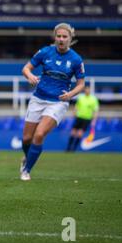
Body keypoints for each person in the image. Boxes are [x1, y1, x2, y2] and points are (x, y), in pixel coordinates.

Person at [20, 23, 85, 181]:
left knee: (39, 134)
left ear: (70, 38)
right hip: (38, 98)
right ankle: (27, 158)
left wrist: (70, 94)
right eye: (59, 36)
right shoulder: (45, 52)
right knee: (27, 138)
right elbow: (26, 68)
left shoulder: (76, 59)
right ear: (54, 37)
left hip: (57, 102)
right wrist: (30, 76)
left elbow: (81, 84)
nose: (61, 39)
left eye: (65, 37)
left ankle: (26, 170)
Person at [66, 85, 99, 152]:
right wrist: (74, 113)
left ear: (90, 90)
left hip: (86, 119)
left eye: (88, 89)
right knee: (73, 132)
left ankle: (74, 148)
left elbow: (95, 110)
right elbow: (77, 106)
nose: (87, 91)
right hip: (78, 117)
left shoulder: (93, 99)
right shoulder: (81, 97)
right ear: (84, 90)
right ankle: (68, 148)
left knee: (80, 134)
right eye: (86, 89)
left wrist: (94, 120)